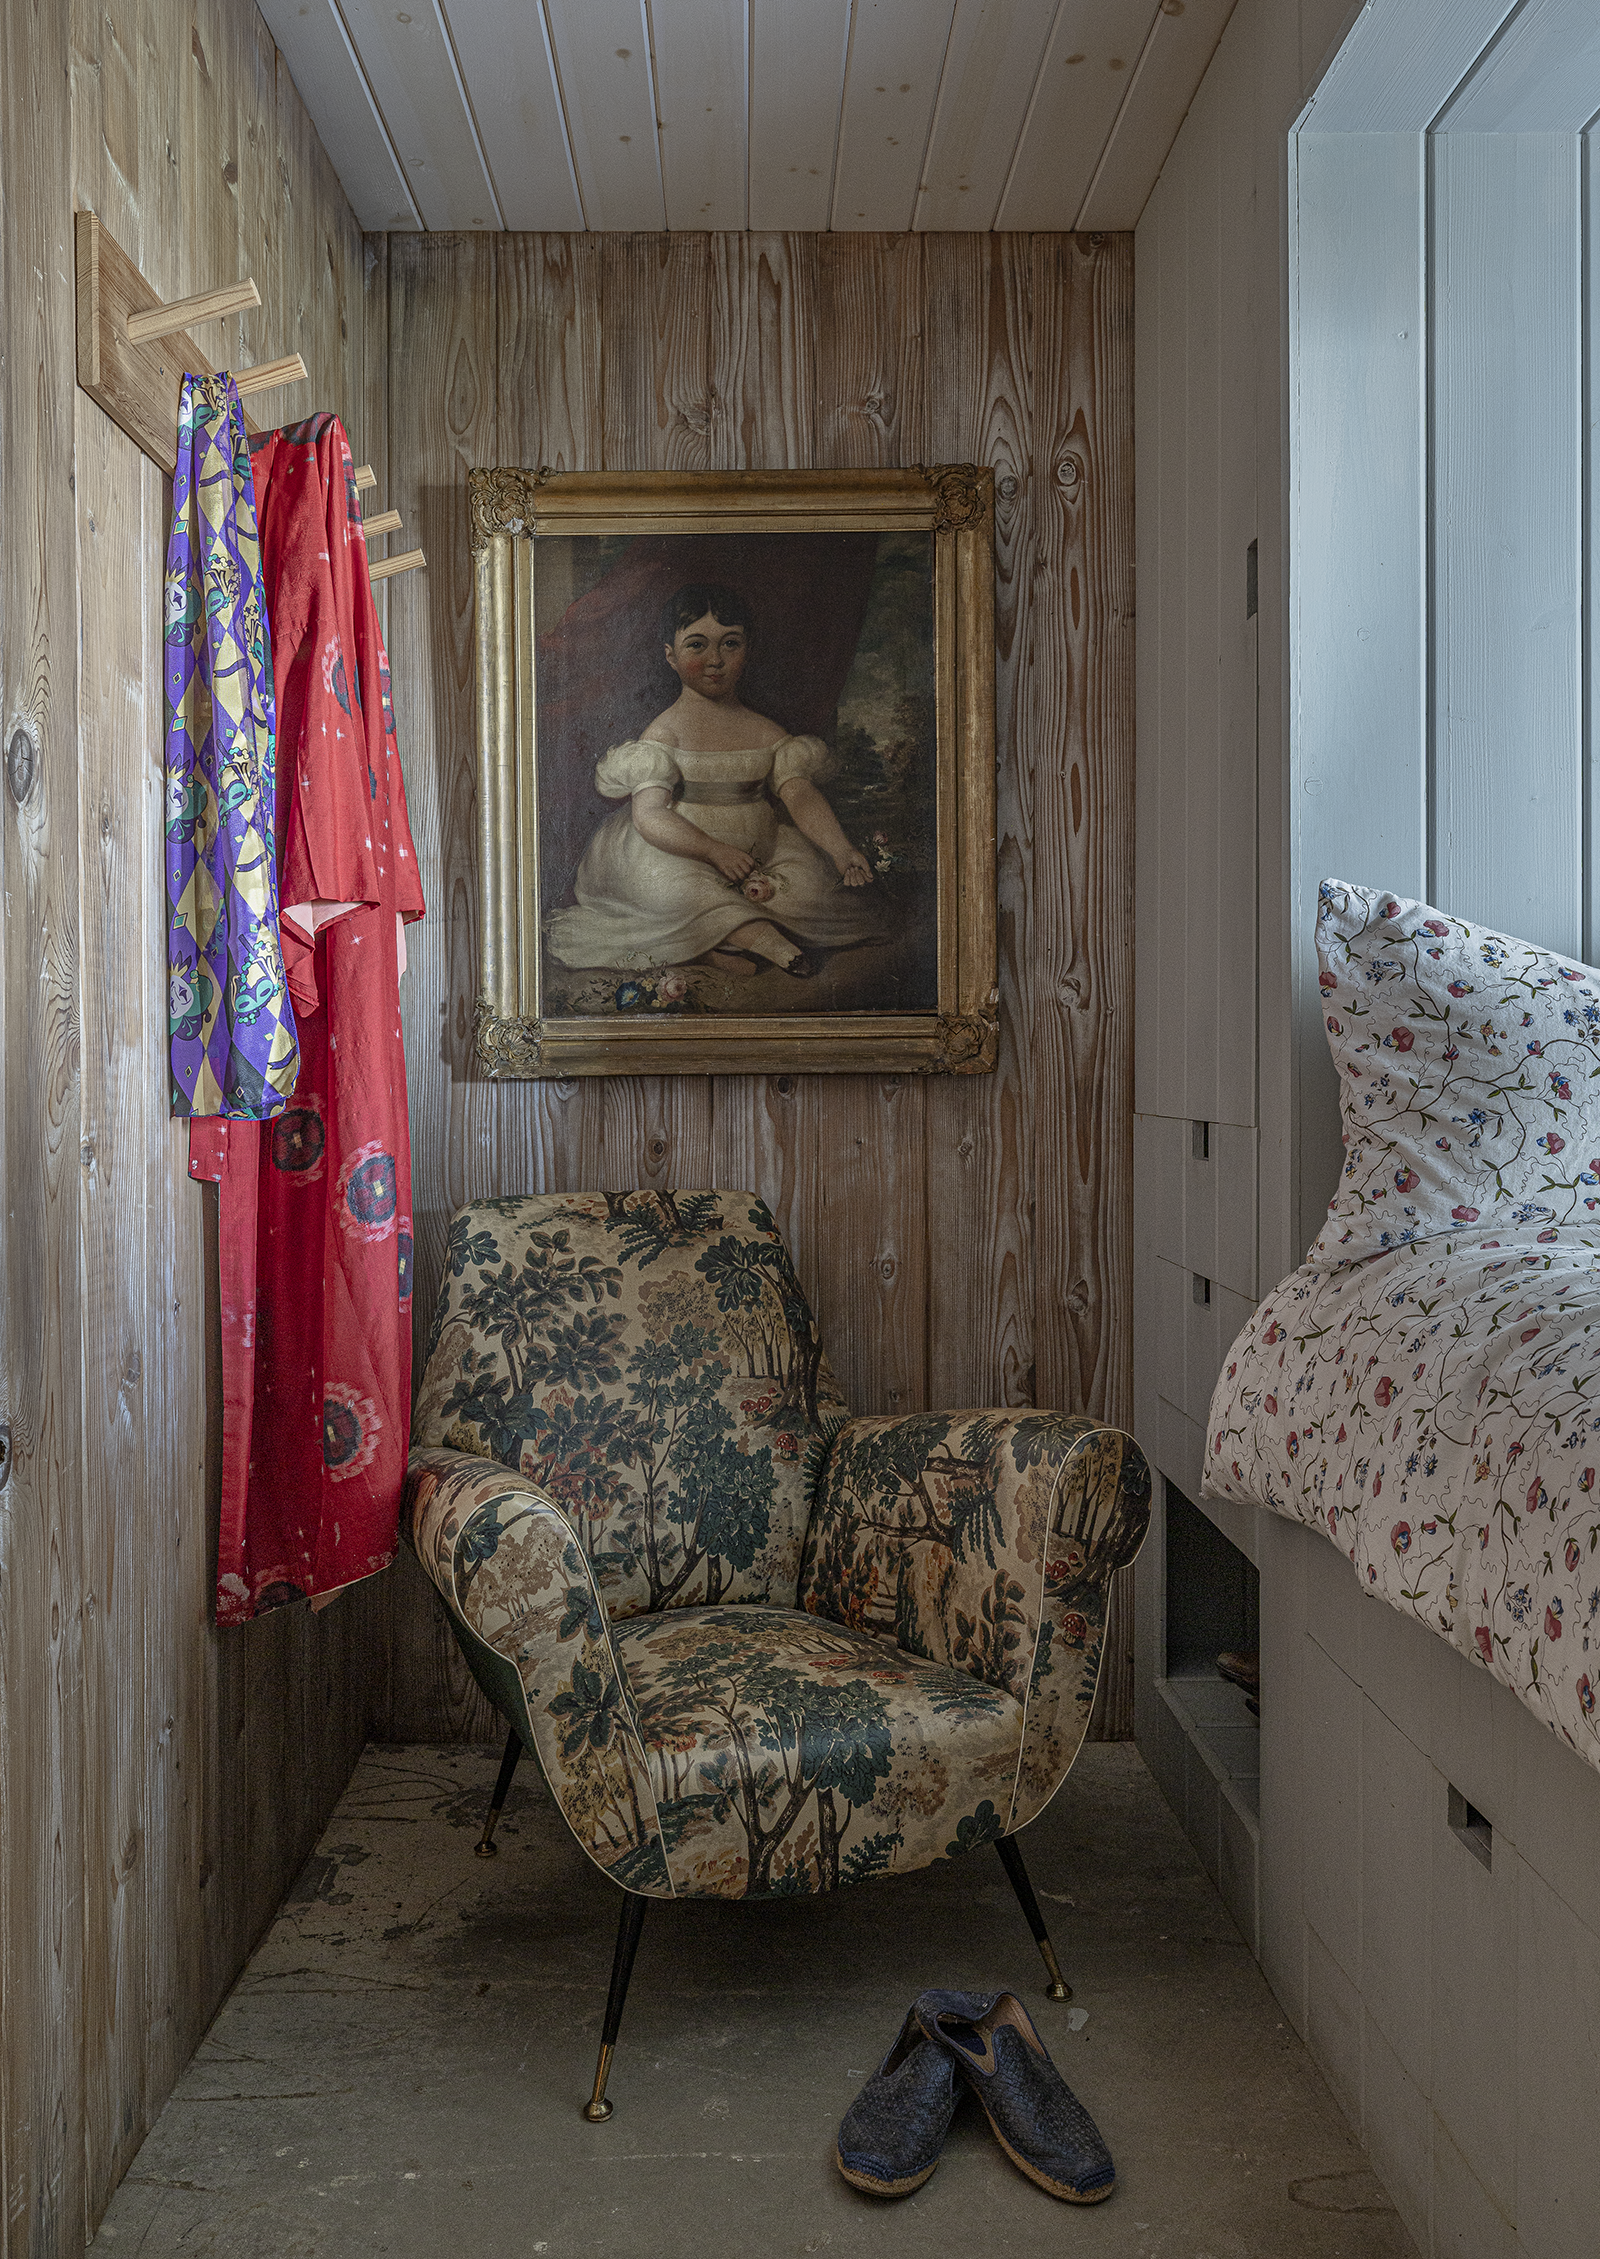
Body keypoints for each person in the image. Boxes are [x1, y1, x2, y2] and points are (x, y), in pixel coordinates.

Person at [545, 582, 890, 979]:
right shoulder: (665, 734)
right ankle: (763, 941)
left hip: (762, 854)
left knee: (811, 889)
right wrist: (712, 850)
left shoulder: (765, 732)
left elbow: (800, 795)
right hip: (680, 853)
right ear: (670, 657)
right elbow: (651, 817)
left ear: (748, 648)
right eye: (697, 646)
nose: (715, 660)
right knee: (678, 893)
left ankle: (707, 948)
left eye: (730, 644)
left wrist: (840, 849)